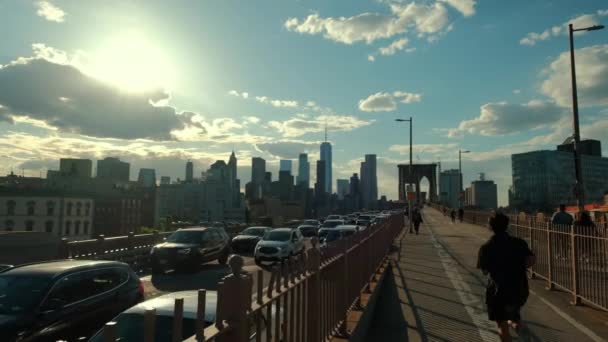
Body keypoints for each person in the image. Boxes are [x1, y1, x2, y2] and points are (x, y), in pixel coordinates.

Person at [478, 212, 535, 342]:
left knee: (502, 326)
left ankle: (517, 329)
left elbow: (485, 271)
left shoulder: (486, 247)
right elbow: (530, 261)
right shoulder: (519, 243)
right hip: (519, 288)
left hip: (498, 291)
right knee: (513, 315)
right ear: (507, 225)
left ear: (490, 227)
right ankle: (520, 329)